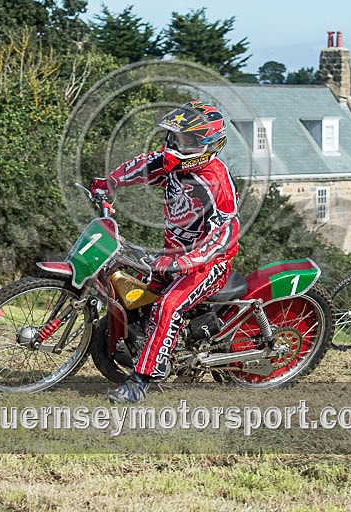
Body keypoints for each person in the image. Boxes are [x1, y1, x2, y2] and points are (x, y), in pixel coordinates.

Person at [90, 100, 239, 404]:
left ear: (209, 146)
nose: (176, 146)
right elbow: (142, 165)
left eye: (186, 142)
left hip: (207, 264)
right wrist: (109, 183)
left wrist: (187, 260)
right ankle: (145, 345)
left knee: (167, 307)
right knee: (137, 296)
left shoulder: (216, 183)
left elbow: (224, 234)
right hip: (172, 255)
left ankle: (140, 382)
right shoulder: (172, 163)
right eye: (175, 138)